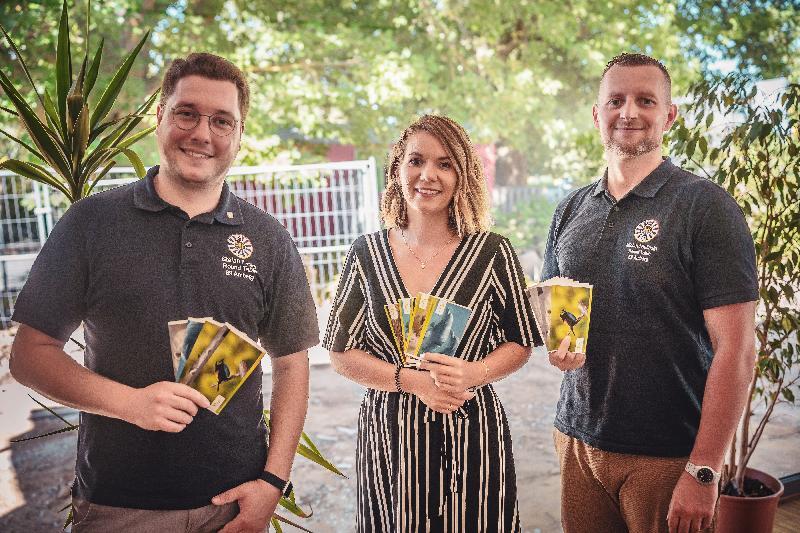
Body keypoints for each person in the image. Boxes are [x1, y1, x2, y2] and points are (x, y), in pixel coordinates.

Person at [10, 53, 319, 533]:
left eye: (222, 121)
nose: (202, 133)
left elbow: (292, 364)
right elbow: (29, 355)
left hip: (235, 508)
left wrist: (272, 483)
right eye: (186, 113)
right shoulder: (92, 223)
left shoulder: (268, 238)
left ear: (239, 135)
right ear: (159, 116)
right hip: (119, 510)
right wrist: (130, 404)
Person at [542, 52, 758, 533]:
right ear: (597, 114)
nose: (629, 112)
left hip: (667, 454)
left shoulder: (705, 207)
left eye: (645, 100)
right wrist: (558, 342)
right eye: (615, 100)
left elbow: (738, 350)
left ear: (669, 114)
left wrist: (703, 470)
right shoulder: (570, 209)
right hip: (577, 439)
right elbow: (557, 303)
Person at [324, 114, 542, 532]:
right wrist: (411, 380)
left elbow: (521, 343)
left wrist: (476, 372)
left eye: (445, 164)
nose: (428, 175)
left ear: (463, 175)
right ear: (397, 170)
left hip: (471, 432)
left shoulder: (492, 252)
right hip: (391, 438)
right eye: (416, 161)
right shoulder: (365, 253)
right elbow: (339, 353)